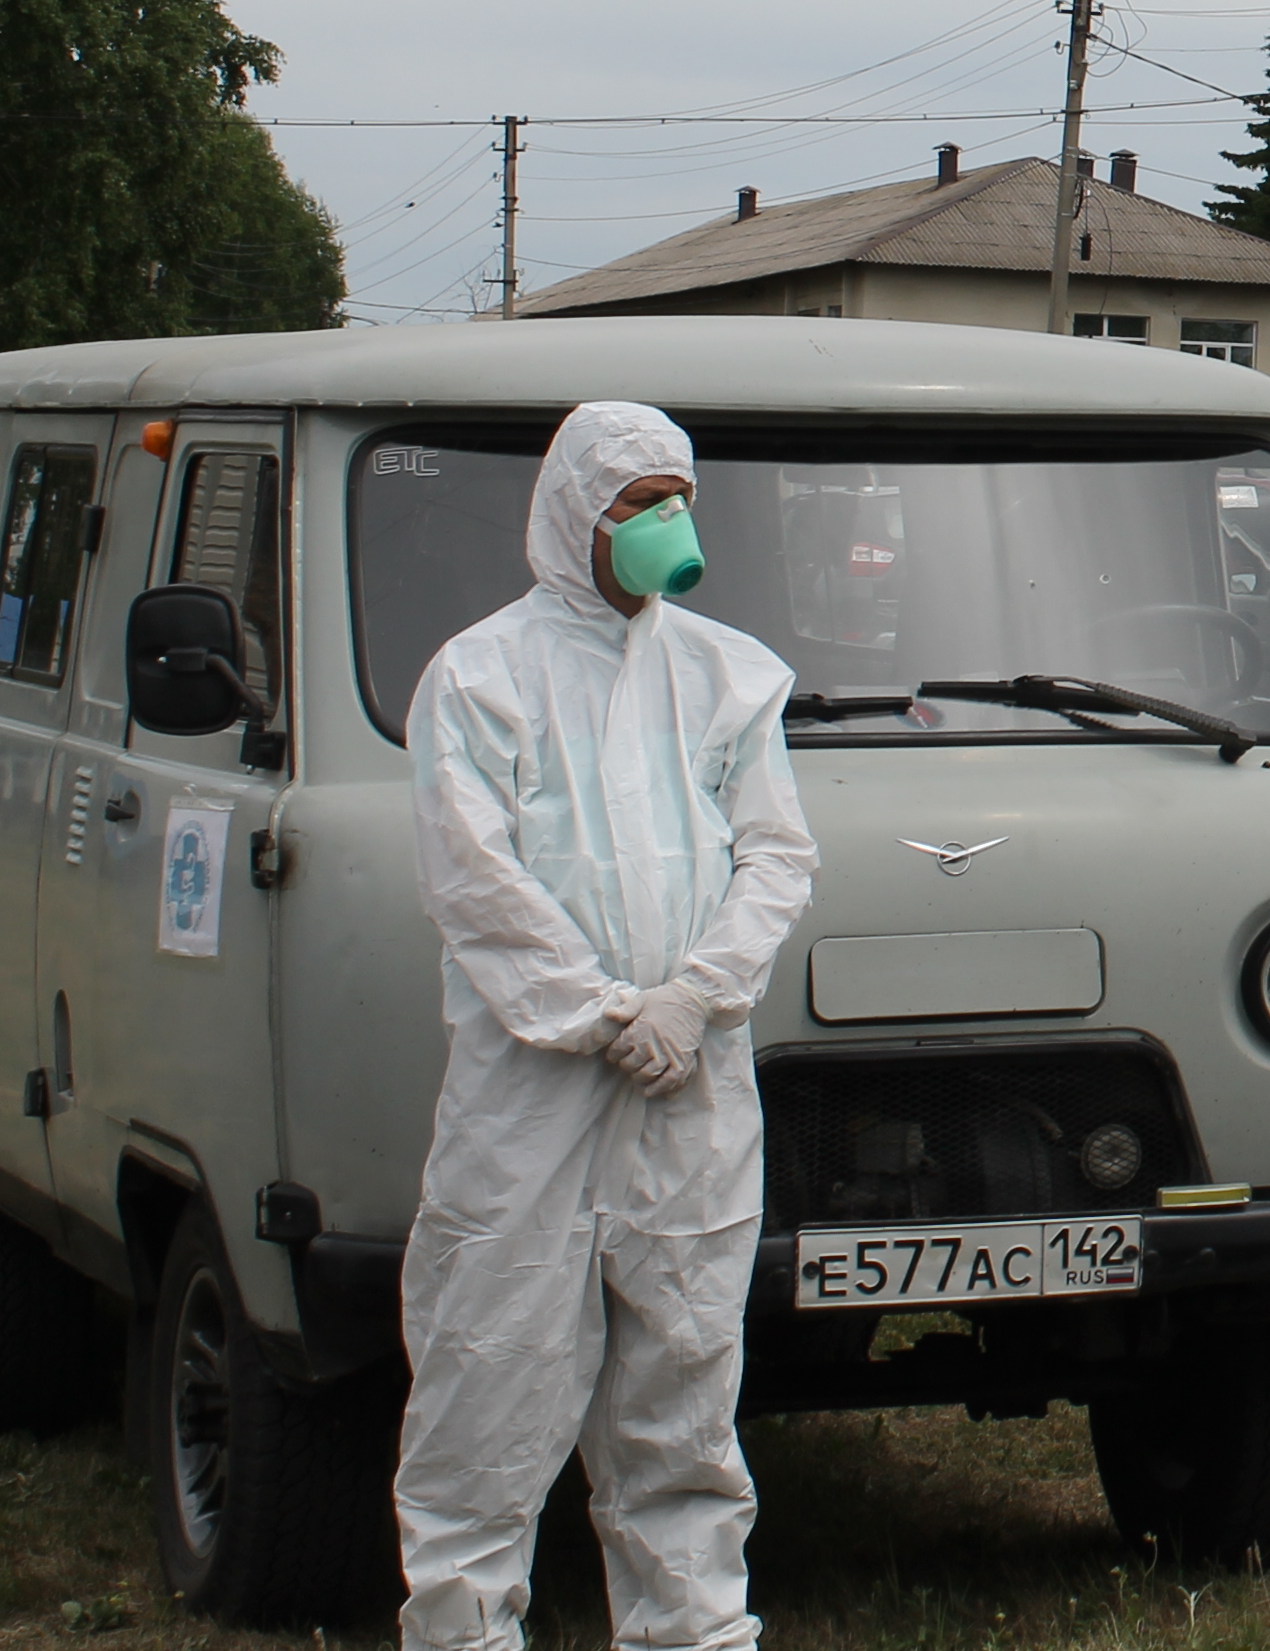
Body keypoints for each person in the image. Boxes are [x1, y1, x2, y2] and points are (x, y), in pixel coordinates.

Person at [395, 402, 819, 1651]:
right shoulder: (480, 677)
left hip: (688, 1094)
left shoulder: (727, 673)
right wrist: (598, 1011)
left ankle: (693, 1636)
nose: (664, 523)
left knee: (683, 1407)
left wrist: (694, 998)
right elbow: (473, 878)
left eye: (677, 497)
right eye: (637, 502)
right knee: (489, 1391)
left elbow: (777, 855)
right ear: (573, 512)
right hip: (533, 1102)